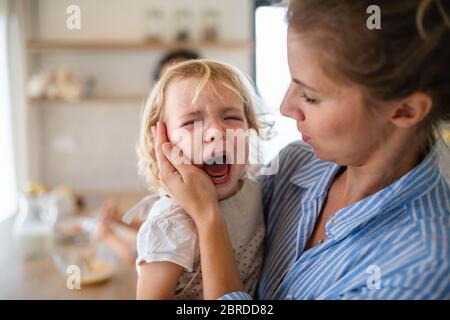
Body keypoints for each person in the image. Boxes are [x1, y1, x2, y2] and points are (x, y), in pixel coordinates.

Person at [152, 0, 450, 299]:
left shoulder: (420, 270)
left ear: (405, 110)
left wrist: (207, 216)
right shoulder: (295, 163)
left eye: (309, 96)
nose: (285, 107)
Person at [135, 59, 265, 299]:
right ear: (162, 143)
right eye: (192, 122)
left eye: (231, 117)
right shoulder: (170, 224)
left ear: (250, 129)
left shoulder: (256, 190)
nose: (216, 132)